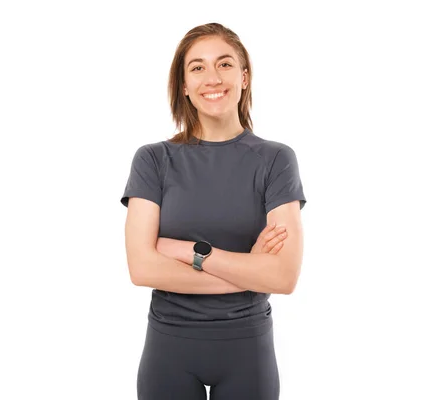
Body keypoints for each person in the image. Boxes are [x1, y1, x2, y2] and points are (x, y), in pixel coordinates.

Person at [120, 22, 306, 400]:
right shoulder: (153, 160)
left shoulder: (276, 160)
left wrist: (190, 252)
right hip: (169, 349)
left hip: (247, 349)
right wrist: (251, 271)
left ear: (244, 76)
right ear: (184, 85)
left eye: (224, 64)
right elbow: (142, 269)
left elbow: (284, 276)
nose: (212, 77)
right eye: (198, 67)